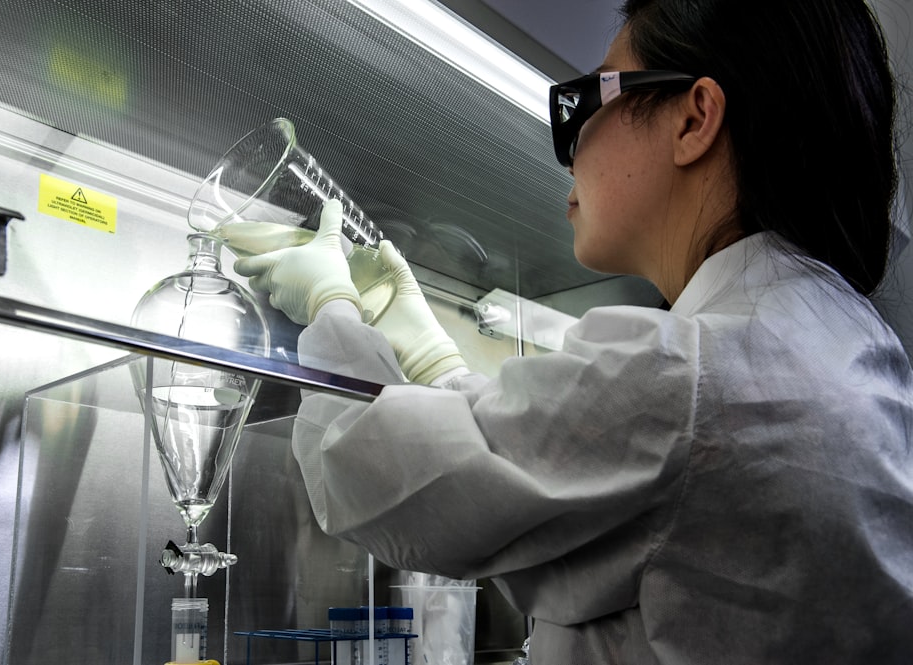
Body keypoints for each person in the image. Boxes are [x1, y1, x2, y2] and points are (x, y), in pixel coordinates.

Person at [230, 0, 913, 662]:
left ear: (694, 119)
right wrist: (431, 353)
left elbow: (376, 477)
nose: (571, 152)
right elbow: (540, 462)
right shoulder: (849, 346)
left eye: (587, 104)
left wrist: (328, 308)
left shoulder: (694, 373)